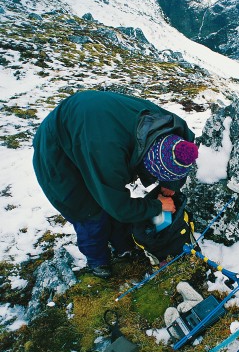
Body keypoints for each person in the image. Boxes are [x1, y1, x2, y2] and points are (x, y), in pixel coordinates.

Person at [33, 90, 198, 278]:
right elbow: (118, 206)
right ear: (148, 162)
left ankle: (123, 247)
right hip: (58, 151)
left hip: (91, 126)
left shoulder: (170, 125)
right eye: (159, 175)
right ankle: (98, 261)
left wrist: (171, 184)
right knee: (89, 211)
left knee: (111, 195)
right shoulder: (109, 156)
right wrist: (157, 205)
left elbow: (185, 149)